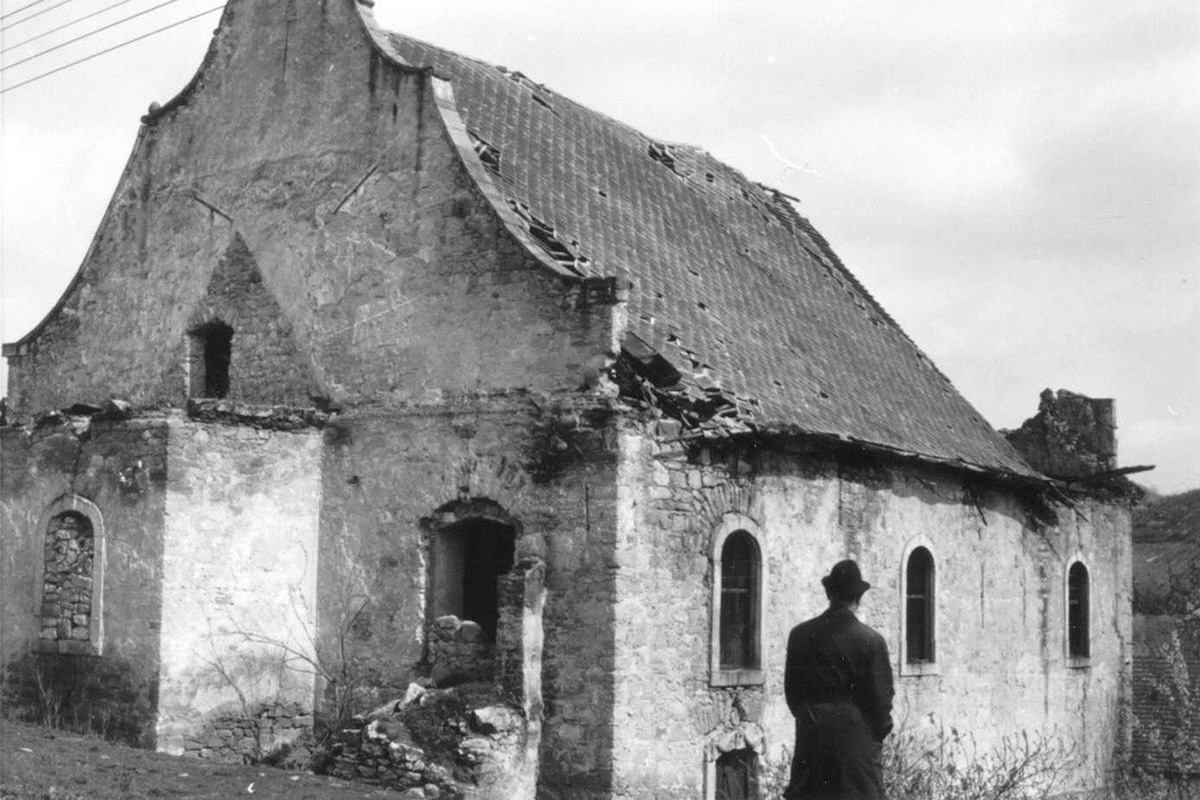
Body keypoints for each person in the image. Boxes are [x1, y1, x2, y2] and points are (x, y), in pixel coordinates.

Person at [783, 560, 894, 800]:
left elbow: (793, 695)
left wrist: (814, 720)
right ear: (858, 597)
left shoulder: (800, 635)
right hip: (856, 751)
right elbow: (881, 704)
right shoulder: (871, 641)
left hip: (811, 743)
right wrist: (868, 737)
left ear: (829, 593)